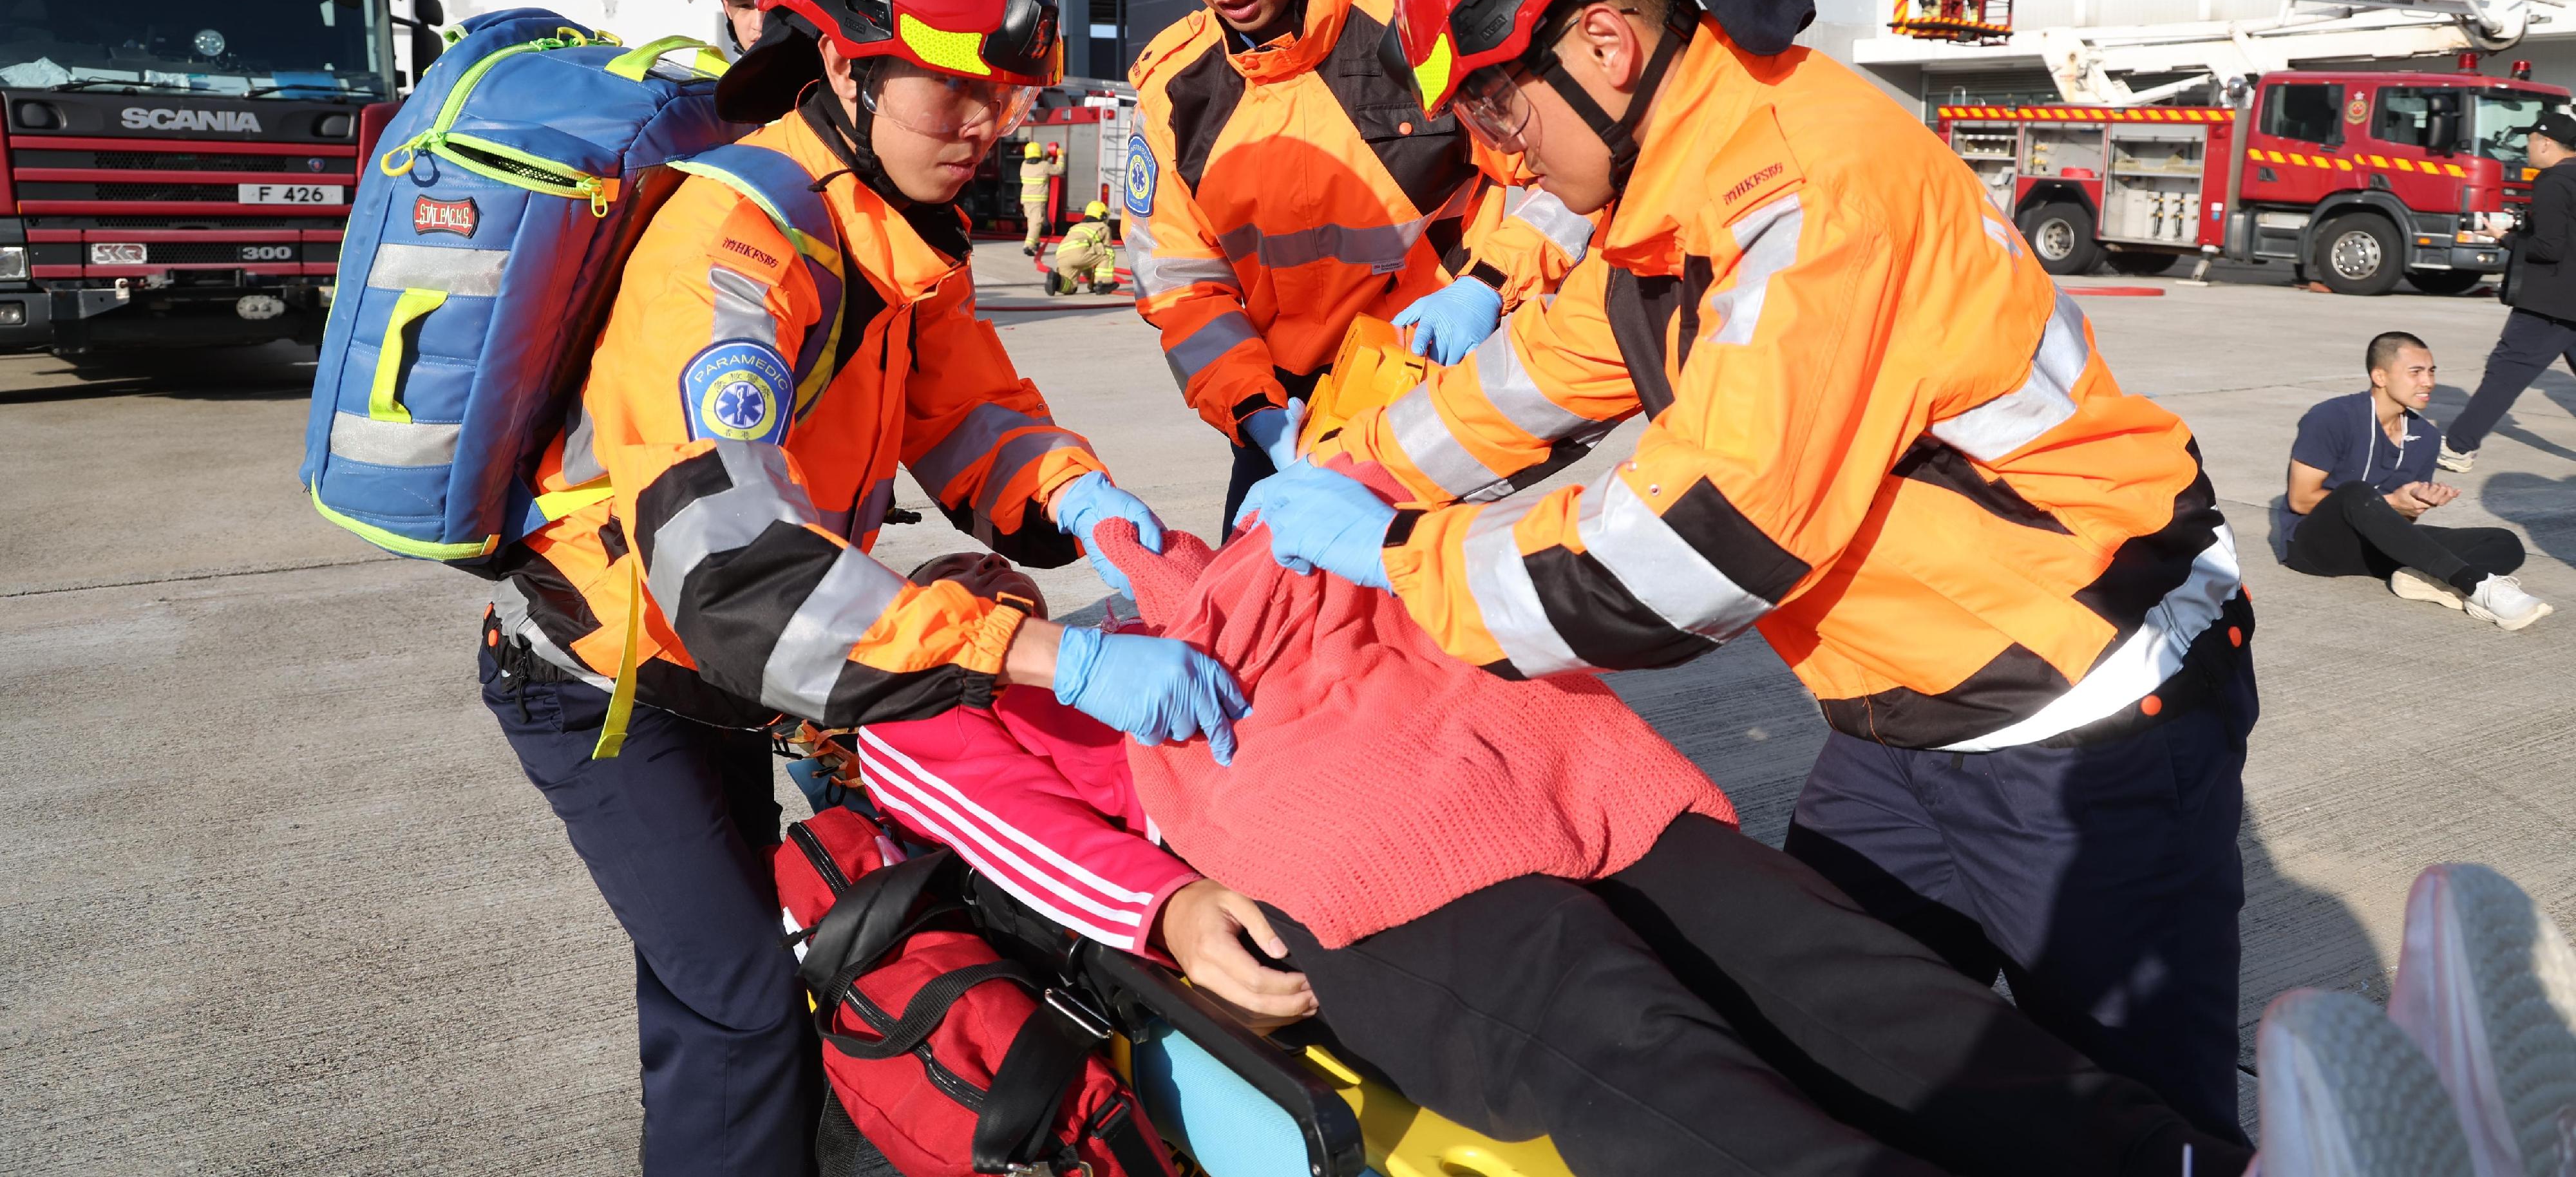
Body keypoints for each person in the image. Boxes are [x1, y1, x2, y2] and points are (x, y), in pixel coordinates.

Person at [1244, 0, 2260, 1140]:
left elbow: (1688, 551)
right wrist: (1351, 466)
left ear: (1603, 45)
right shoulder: (1677, 189)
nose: (1497, 149)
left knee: (2125, 1124)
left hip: (2086, 718)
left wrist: (1393, 567)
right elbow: (1533, 374)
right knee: (1826, 1040)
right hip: (1901, 714)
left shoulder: (1807, 196)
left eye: (1495, 97)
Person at [483, 0, 1245, 1176]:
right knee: (738, 1009)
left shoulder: (897, 237)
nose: (988, 126)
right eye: (951, 87)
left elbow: (972, 416)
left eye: (1004, 92)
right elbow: (737, 570)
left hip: (716, 678)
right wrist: (1053, 655)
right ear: (841, 70)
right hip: (606, 683)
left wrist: (1088, 505)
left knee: (719, 973)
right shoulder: (727, 257)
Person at [828, 525, 2252, 1177]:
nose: (987, 584)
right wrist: (1172, 908)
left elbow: (1327, 587)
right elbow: (1012, 831)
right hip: (1363, 840)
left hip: (1483, 768)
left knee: (1814, 967)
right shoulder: (925, 705)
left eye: (993, 571)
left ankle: (2171, 1157)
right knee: (1656, 1039)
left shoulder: (1139, 616)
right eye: (950, 583)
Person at [1117, 0, 1595, 530]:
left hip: (1430, 394)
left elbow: (1564, 176)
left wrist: (1489, 284)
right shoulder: (1172, 91)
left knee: (1441, 623)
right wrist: (1255, 411)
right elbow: (1181, 284)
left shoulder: (1417, 24)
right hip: (1285, 419)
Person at [2278, 332, 2549, 629]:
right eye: (2416, 372)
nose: (2428, 382)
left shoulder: (2427, 437)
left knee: (2504, 542)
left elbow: (2399, 529)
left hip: (2376, 551)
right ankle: (2476, 587)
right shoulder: (2330, 417)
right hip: (2317, 548)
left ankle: (2425, 582)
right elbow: (2300, 499)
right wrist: (2391, 502)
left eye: (2432, 372)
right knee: (2356, 492)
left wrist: (2414, 506)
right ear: (2380, 376)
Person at [2443, 109, 2576, 480]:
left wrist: (2506, 238)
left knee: (2506, 372)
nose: (2527, 148)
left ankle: (2458, 446)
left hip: (2550, 303)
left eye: (2530, 141)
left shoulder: (2552, 181)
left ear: (2546, 143)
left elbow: (2549, 248)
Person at [1049, 199, 1119, 295]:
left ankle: (1057, 282)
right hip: (1080, 254)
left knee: (1071, 287)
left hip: (1061, 256)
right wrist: (1095, 284)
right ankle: (1103, 284)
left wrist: (1091, 282)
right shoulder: (1103, 227)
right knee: (1108, 252)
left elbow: (1087, 261)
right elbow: (1103, 251)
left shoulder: (1076, 227)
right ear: (1103, 216)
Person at [1019, 137, 1063, 256]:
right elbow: (1059, 170)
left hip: (1026, 200)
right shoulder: (1044, 165)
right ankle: (1029, 245)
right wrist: (1061, 156)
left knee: (1032, 222)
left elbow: (1036, 164)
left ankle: (1036, 242)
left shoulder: (1024, 165)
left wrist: (1046, 157)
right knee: (1037, 222)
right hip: (1038, 201)